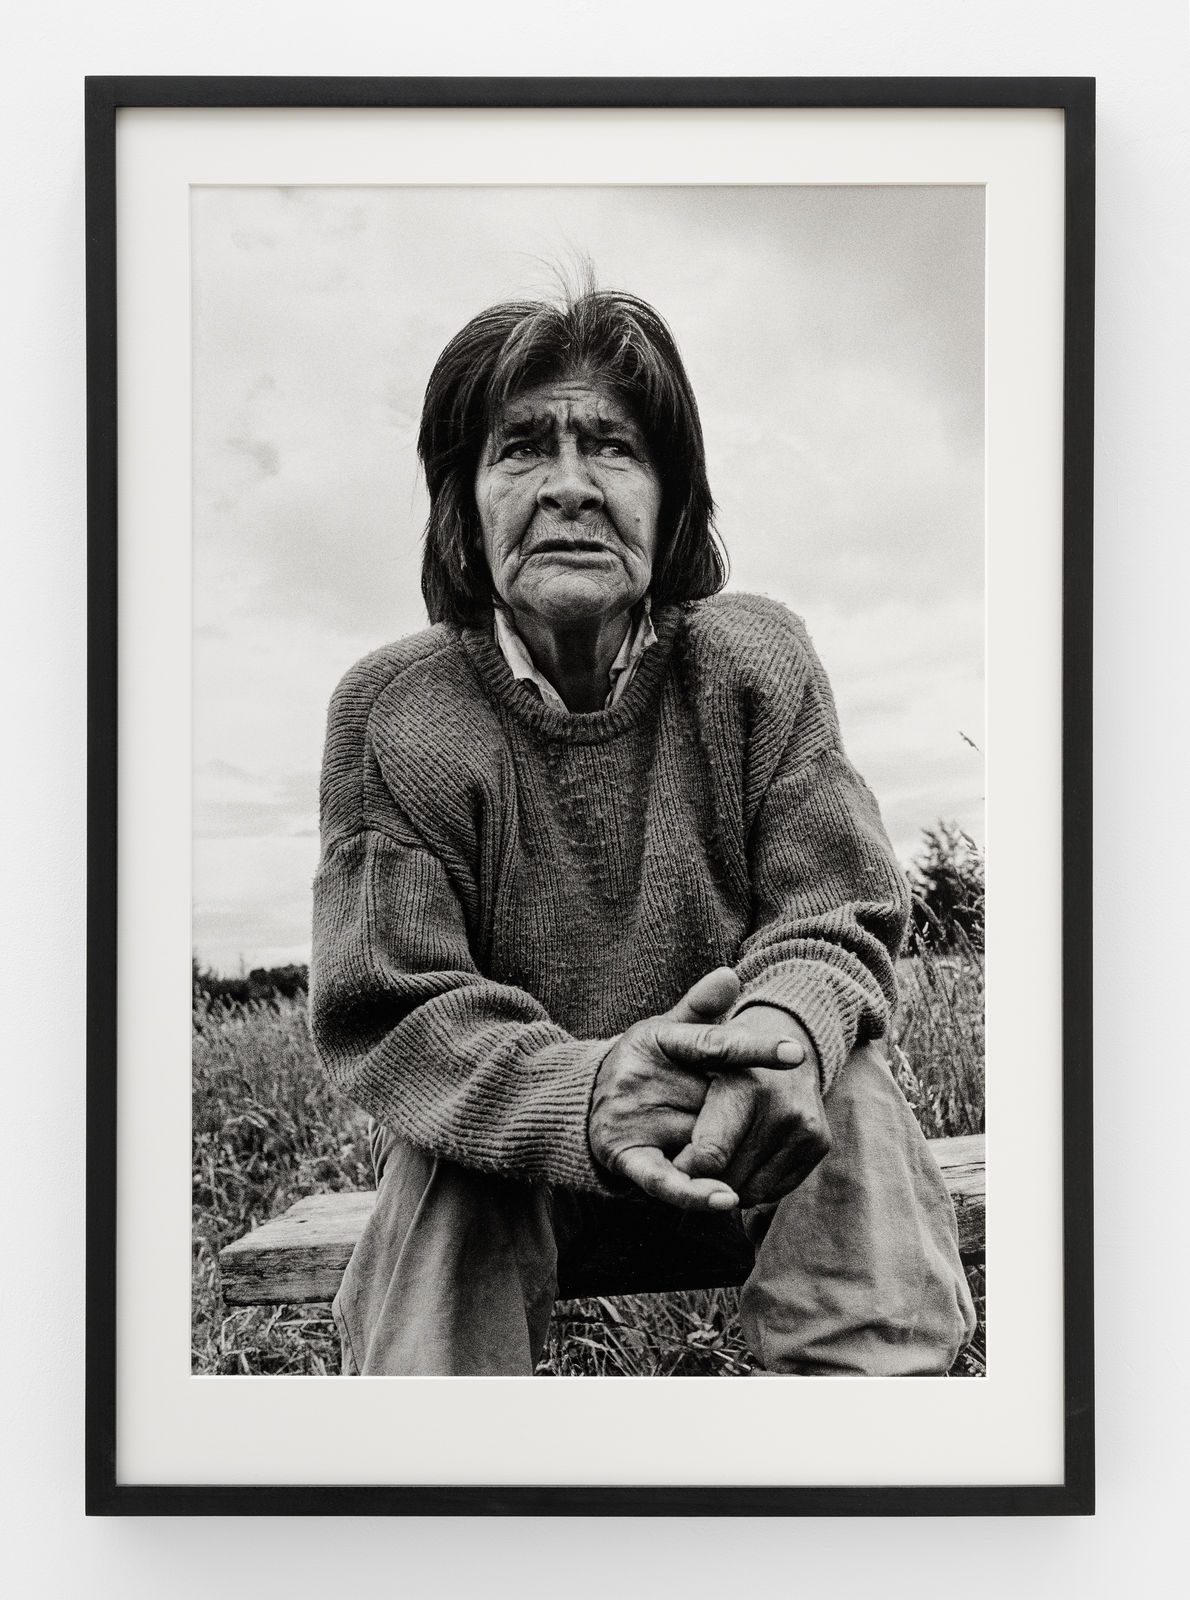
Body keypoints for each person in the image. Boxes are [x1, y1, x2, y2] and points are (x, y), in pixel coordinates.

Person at [310, 286, 976, 1376]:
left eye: (611, 446)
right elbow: (395, 1009)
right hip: (521, 1163)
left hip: (751, 1138)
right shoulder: (397, 710)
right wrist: (588, 1092)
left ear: (667, 502)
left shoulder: (753, 660)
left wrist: (778, 1037)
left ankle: (863, 1482)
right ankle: (437, 1511)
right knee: (446, 1167)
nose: (568, 484)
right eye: (520, 447)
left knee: (841, 1083)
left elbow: (835, 911)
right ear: (462, 505)